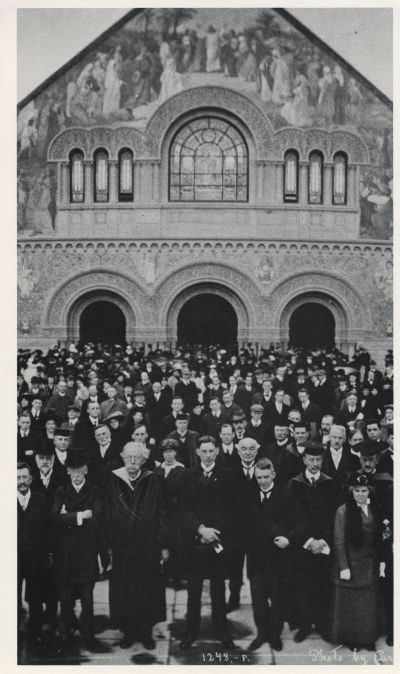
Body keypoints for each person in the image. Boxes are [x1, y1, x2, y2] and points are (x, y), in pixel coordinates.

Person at [176, 435, 241, 650]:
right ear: (197, 453)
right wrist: (201, 529)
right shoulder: (187, 476)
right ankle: (190, 631)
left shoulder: (228, 475)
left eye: (211, 451)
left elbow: (234, 509)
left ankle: (222, 631)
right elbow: (183, 508)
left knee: (218, 590)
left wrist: (215, 531)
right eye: (203, 451)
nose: (207, 455)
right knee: (193, 590)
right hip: (195, 541)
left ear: (217, 451)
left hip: (218, 541)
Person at [104, 442, 168, 650]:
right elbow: (107, 512)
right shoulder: (113, 480)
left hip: (147, 546)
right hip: (122, 547)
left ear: (143, 459)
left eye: (137, 458)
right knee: (125, 589)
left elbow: (161, 514)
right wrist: (109, 545)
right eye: (129, 457)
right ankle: (129, 631)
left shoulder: (154, 480)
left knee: (147, 589)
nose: (132, 461)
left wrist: (163, 545)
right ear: (122, 457)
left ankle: (145, 632)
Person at [52, 449, 104, 653]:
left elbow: (98, 519)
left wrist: (68, 516)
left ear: (86, 470)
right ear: (67, 471)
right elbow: (54, 518)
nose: (76, 474)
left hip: (87, 553)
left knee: (87, 597)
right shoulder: (60, 491)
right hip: (65, 554)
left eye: (80, 469)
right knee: (65, 597)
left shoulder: (95, 491)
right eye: (72, 470)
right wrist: (82, 516)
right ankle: (65, 634)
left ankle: (88, 634)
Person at [245, 457, 298, 652]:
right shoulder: (250, 495)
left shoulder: (285, 495)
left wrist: (288, 539)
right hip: (256, 558)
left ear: (274, 474)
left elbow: (297, 524)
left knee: (278, 598)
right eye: (259, 477)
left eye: (266, 476)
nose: (263, 481)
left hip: (278, 559)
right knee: (258, 600)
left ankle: (275, 634)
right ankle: (261, 633)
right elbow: (245, 526)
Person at [287, 440, 337, 642]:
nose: (314, 463)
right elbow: (291, 517)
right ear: (304, 459)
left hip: (323, 546)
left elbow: (334, 516)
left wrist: (322, 541)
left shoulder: (330, 484)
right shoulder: (294, 484)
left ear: (322, 460)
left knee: (323, 586)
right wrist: (308, 541)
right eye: (311, 459)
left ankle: (322, 624)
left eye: (318, 459)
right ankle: (305, 625)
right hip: (303, 546)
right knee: (303, 586)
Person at [328, 473, 385, 651]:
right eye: (357, 490)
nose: (361, 494)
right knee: (351, 606)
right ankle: (352, 640)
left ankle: (367, 639)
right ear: (351, 491)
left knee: (367, 606)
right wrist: (344, 567)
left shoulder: (375, 508)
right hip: (351, 565)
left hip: (369, 565)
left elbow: (381, 536)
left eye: (364, 490)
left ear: (369, 491)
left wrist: (382, 561)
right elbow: (338, 540)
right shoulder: (343, 511)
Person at [18, 462, 49, 652]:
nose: (21, 482)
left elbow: (48, 531)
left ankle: (35, 632)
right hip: (12, 560)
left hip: (36, 559)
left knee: (36, 598)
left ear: (31, 479)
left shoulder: (40, 500)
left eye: (24, 477)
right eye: (18, 478)